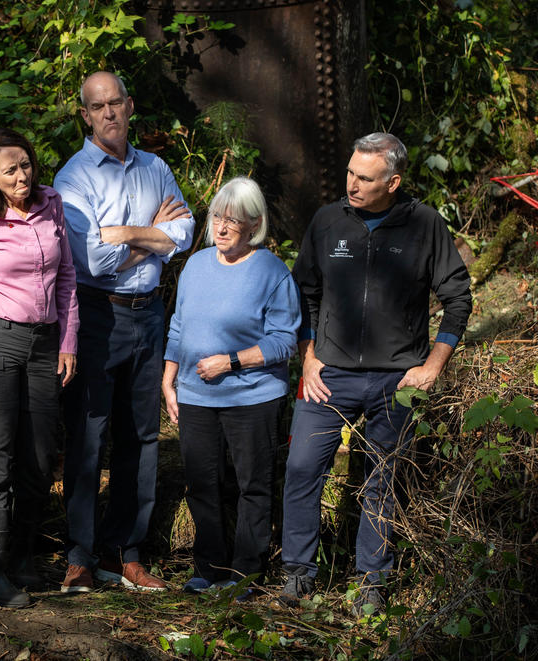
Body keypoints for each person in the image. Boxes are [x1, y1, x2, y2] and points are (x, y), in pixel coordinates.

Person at [280, 132, 472, 615]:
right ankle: (298, 573)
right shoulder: (327, 221)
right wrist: (308, 356)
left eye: (364, 178)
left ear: (393, 181)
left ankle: (371, 582)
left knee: (382, 478)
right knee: (302, 467)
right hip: (329, 375)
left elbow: (457, 299)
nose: (352, 184)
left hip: (397, 380)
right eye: (349, 173)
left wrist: (431, 366)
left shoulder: (425, 225)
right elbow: (304, 294)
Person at [54, 71, 195, 593]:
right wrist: (153, 237)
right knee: (89, 435)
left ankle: (126, 552)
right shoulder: (74, 177)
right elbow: (92, 257)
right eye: (98, 106)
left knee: (141, 434)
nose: (110, 113)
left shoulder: (155, 167)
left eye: (117, 102)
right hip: (95, 315)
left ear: (130, 105)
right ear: (86, 115)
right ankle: (81, 556)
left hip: (148, 313)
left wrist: (129, 235)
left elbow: (185, 230)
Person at [0, 127, 79, 607]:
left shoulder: (53, 204)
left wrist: (68, 341)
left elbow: (66, 277)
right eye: (10, 169)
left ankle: (22, 559)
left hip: (46, 345)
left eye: (25, 164)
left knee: (41, 456)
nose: (22, 176)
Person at [161, 177, 300, 597]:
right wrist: (169, 379)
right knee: (202, 483)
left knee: (251, 485)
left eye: (234, 220)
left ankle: (246, 574)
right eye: (218, 217)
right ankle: (210, 569)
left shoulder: (271, 271)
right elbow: (179, 326)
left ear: (254, 224)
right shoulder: (197, 264)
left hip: (252, 396)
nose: (222, 227)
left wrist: (232, 361)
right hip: (195, 396)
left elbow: (284, 340)